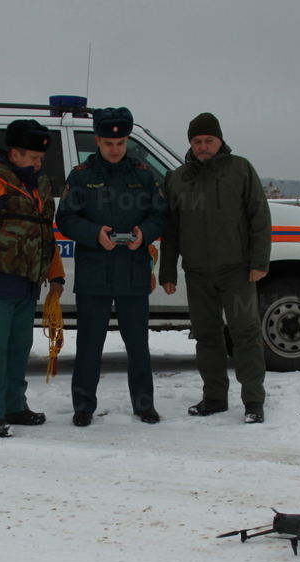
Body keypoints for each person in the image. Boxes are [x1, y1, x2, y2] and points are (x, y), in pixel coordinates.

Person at [56, 107, 168, 427]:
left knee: (138, 345)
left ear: (127, 141)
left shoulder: (143, 175)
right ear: (97, 141)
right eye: (108, 143)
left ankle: (144, 404)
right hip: (94, 272)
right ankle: (83, 406)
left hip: (133, 270)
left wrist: (143, 234)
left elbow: (161, 215)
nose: (115, 149)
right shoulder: (81, 176)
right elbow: (65, 218)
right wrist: (94, 234)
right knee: (89, 345)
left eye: (120, 143)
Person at [161, 112, 272, 424]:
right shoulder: (179, 178)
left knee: (245, 334)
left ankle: (253, 400)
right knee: (207, 336)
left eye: (208, 140)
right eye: (197, 141)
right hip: (197, 273)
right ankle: (214, 397)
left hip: (237, 271)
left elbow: (259, 216)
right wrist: (168, 271)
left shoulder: (240, 169)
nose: (202, 146)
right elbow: (171, 229)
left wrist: (259, 262)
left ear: (219, 140)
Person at [0, 119, 65, 437]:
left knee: (19, 350)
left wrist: (55, 275)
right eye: (33, 157)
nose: (38, 163)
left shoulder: (40, 186)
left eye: (41, 158)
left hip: (27, 285)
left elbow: (45, 234)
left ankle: (15, 406)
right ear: (14, 153)